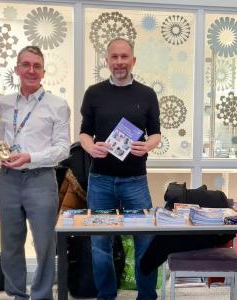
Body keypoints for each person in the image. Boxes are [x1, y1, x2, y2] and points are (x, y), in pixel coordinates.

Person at [80, 37, 161, 300]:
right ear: (107, 61)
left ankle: (147, 296)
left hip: (135, 180)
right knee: (100, 243)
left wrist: (147, 146)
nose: (119, 62)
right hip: (100, 180)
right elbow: (84, 133)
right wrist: (90, 147)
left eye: (124, 57)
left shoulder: (147, 94)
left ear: (133, 60)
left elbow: (156, 134)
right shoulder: (94, 93)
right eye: (114, 57)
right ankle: (106, 295)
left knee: (145, 241)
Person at [0, 45, 70, 300]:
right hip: (7, 180)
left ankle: (42, 295)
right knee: (10, 243)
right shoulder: (5, 102)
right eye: (26, 65)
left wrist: (31, 157)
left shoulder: (57, 105)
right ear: (17, 69)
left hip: (41, 179)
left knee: (45, 244)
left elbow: (63, 149)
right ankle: (15, 294)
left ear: (44, 72)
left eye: (37, 66)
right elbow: (4, 134)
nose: (31, 70)